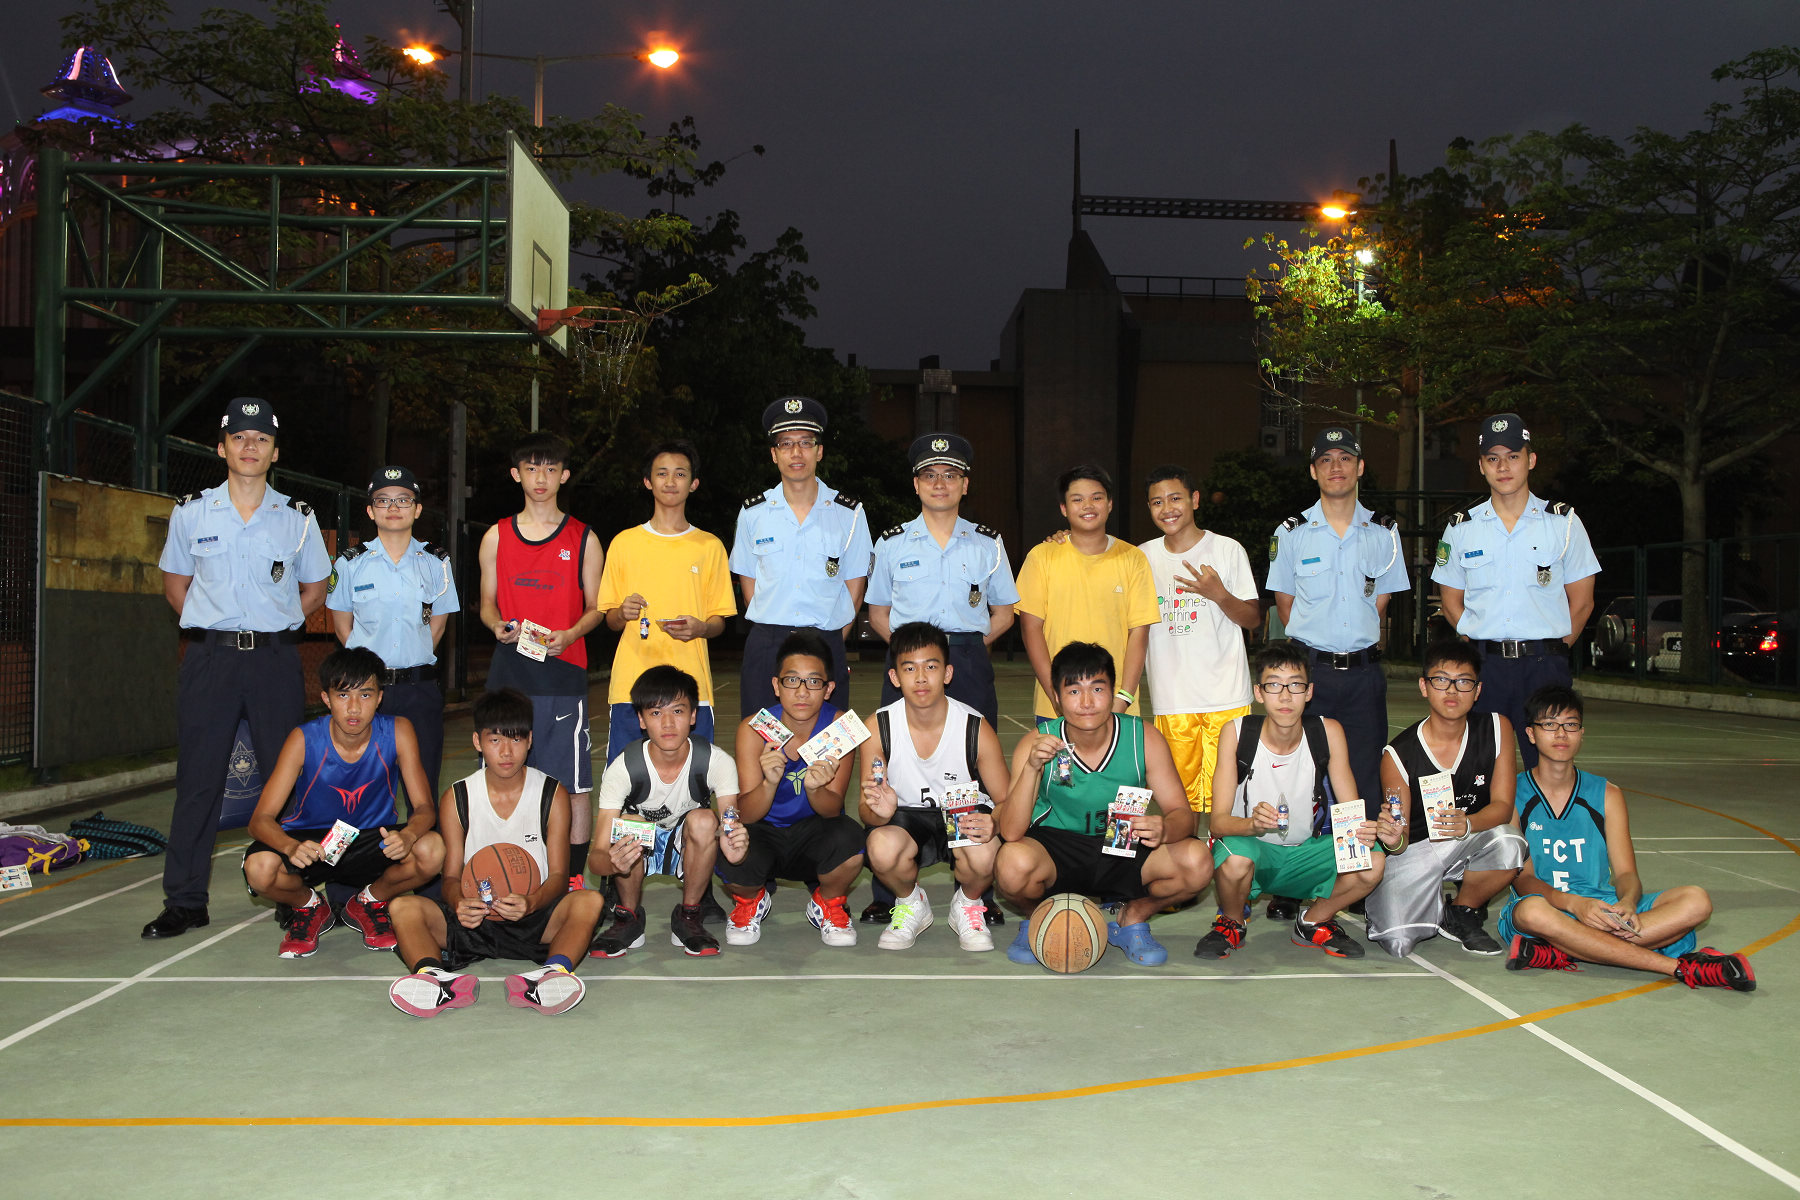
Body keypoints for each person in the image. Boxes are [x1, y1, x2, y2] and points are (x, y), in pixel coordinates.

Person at [145, 396, 331, 940]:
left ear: (275, 452)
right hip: (210, 661)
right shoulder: (191, 513)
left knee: (285, 779)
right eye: (240, 437)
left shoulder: (297, 518)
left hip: (274, 660)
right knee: (199, 780)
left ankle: (290, 890)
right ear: (222, 447)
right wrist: (215, 630)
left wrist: (275, 624)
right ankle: (185, 901)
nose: (251, 446)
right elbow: (175, 586)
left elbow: (315, 589)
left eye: (262, 438)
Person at [1498, 685, 1754, 991]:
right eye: (1550, 725)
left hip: (1604, 908)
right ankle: (1680, 968)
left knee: (1696, 900)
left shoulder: (1607, 794)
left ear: (1582, 733)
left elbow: (1626, 874)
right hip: (1549, 908)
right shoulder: (1512, 793)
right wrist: (1575, 905)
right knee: (1531, 911)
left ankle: (1563, 948)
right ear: (1530, 734)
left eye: (1571, 725)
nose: (1561, 734)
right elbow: (1523, 880)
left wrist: (1628, 903)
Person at [862, 432, 1017, 925]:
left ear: (965, 484)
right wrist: (912, 659)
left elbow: (1005, 611)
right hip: (911, 660)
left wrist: (963, 651)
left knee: (977, 770)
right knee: (888, 765)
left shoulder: (988, 543)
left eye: (950, 475)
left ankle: (975, 890)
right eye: (929, 475)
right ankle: (888, 892)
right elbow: (877, 612)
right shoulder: (891, 543)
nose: (940, 483)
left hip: (966, 658)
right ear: (916, 484)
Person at [1263, 426, 1408, 923]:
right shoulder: (1290, 533)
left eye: (1345, 458)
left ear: (1360, 467)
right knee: (1300, 775)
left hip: (1363, 674)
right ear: (1313, 470)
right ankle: (1290, 882)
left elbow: (1381, 602)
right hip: (1311, 676)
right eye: (1325, 460)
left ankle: (1352, 874)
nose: (1336, 467)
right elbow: (1286, 605)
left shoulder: (1384, 533)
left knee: (1361, 777)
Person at [387, 689, 605, 1018]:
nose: (506, 751)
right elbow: (450, 877)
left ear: (530, 741)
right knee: (403, 907)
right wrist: (459, 903)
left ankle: (552, 974)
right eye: (495, 740)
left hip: (533, 918)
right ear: (478, 741)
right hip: (475, 922)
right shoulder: (458, 797)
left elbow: (560, 876)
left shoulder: (552, 793)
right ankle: (434, 979)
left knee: (589, 901)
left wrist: (532, 901)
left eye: (516, 739)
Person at [995, 642, 1212, 966]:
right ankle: (1038, 918)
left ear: (1113, 692)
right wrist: (1031, 767)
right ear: (1056, 697)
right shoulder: (1038, 742)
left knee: (1197, 862)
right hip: (1056, 849)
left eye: (1097, 689)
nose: (1086, 702)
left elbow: (1182, 814)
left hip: (1122, 844)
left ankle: (1132, 917)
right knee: (1011, 864)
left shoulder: (1143, 738)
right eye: (1073, 691)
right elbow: (1011, 832)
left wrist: (1165, 828)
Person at [1197, 643, 1399, 960]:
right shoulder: (1237, 733)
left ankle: (1314, 921)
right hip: (1255, 850)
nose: (1285, 696)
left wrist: (1376, 832)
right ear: (1259, 692)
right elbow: (1218, 823)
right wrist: (1252, 825)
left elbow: (1350, 814)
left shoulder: (1328, 731)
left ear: (1309, 692)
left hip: (1306, 852)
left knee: (1372, 860)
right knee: (1235, 858)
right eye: (1274, 685)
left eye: (1295, 685)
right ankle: (1232, 922)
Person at [241, 647, 444, 957]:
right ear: (326, 699)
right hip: (315, 844)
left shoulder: (398, 731)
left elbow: (425, 808)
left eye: (365, 695)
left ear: (380, 697)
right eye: (343, 695)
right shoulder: (304, 739)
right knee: (259, 868)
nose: (354, 708)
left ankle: (369, 901)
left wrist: (408, 835)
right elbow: (260, 820)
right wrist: (290, 847)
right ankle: (309, 906)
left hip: (371, 841)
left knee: (432, 849)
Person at [1431, 413, 1599, 769]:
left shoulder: (1563, 523)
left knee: (1551, 765)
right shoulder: (1461, 529)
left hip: (1544, 667)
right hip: (1485, 669)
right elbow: (1450, 602)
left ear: (1531, 460)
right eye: (1493, 458)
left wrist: (1553, 650)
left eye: (1513, 456)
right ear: (1481, 466)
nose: (1503, 467)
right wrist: (1478, 646)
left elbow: (1583, 602)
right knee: (1482, 767)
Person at [477, 432, 606, 890]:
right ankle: (497, 868)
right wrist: (496, 626)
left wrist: (570, 634)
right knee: (498, 777)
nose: (541, 478)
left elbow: (598, 608)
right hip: (509, 673)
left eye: (550, 469)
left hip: (563, 672)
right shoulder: (496, 536)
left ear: (564, 476)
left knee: (572, 784)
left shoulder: (584, 538)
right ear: (516, 474)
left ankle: (571, 876)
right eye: (531, 468)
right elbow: (486, 603)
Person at [855, 622, 1011, 952]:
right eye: (909, 668)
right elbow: (866, 812)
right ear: (895, 677)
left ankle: (967, 904)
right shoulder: (879, 727)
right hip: (905, 817)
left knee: (987, 850)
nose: (921, 678)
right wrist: (878, 811)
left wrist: (995, 822)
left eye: (931, 666)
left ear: (948, 673)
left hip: (963, 814)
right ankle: (911, 903)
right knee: (880, 847)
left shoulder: (975, 727)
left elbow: (1007, 802)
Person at [1367, 642, 1528, 958]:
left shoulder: (1497, 728)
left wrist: (1467, 823)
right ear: (1424, 686)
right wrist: (1393, 838)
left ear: (1477, 690)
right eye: (1441, 680)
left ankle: (1462, 910)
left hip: (1469, 837)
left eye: (1463, 681)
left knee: (1509, 841)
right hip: (1416, 850)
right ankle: (1426, 902)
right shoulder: (1397, 755)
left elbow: (1503, 807)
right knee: (1397, 942)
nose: (1452, 690)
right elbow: (1399, 839)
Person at [730, 396, 873, 717]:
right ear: (774, 454)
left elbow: (854, 590)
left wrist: (829, 639)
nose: (796, 452)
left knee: (827, 739)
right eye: (786, 444)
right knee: (763, 738)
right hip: (767, 645)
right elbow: (749, 586)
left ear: (819, 451)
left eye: (806, 442)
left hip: (826, 643)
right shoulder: (753, 512)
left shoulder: (849, 513)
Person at [722, 630, 865, 947]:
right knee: (729, 839)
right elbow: (746, 813)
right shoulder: (753, 729)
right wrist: (769, 783)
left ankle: (827, 903)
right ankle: (750, 901)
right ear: (776, 686)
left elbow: (833, 809)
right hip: (764, 831)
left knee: (852, 839)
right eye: (791, 680)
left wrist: (815, 789)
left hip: (814, 833)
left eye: (813, 681)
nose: (802, 691)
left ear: (828, 689)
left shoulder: (840, 728)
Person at [596, 439, 736, 762]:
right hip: (631, 686)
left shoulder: (710, 546)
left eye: (680, 474)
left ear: (694, 483)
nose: (670, 481)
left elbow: (719, 621)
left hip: (692, 687)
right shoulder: (624, 543)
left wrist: (701, 628)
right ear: (648, 481)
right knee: (627, 779)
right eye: (662, 473)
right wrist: (623, 612)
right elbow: (610, 620)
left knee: (693, 780)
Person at [327, 465, 460, 800]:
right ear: (371, 511)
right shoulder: (350, 564)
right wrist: (366, 672)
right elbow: (342, 626)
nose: (393, 507)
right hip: (366, 692)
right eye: (383, 500)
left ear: (417, 509)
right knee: (360, 790)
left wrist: (411, 660)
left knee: (422, 791)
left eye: (403, 500)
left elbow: (438, 626)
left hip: (419, 690)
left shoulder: (437, 563)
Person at [588, 666, 740, 958]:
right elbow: (596, 858)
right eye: (656, 713)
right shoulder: (623, 768)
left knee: (705, 820)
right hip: (638, 851)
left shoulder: (717, 762)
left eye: (678, 711)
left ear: (693, 716)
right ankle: (628, 916)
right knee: (630, 823)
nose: (668, 723)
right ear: (641, 719)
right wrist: (613, 862)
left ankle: (689, 915)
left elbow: (731, 827)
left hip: (689, 845)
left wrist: (735, 842)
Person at [1137, 465, 1259, 814]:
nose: (1167, 508)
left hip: (1227, 698)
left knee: (1231, 805)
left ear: (1194, 500)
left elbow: (1253, 619)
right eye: (1157, 502)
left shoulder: (1227, 550)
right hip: (1172, 701)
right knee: (1180, 808)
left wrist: (1219, 594)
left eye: (1175, 498)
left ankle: (1227, 852)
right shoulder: (1141, 557)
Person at [1014, 465, 1159, 723]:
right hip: (1055, 706)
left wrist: (1123, 698)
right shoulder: (1041, 556)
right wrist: (1056, 696)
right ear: (1064, 508)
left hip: (1117, 707)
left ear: (1110, 504)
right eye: (1077, 499)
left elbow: (1139, 632)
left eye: (1096, 497)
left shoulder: (1133, 558)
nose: (1088, 506)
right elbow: (1031, 629)